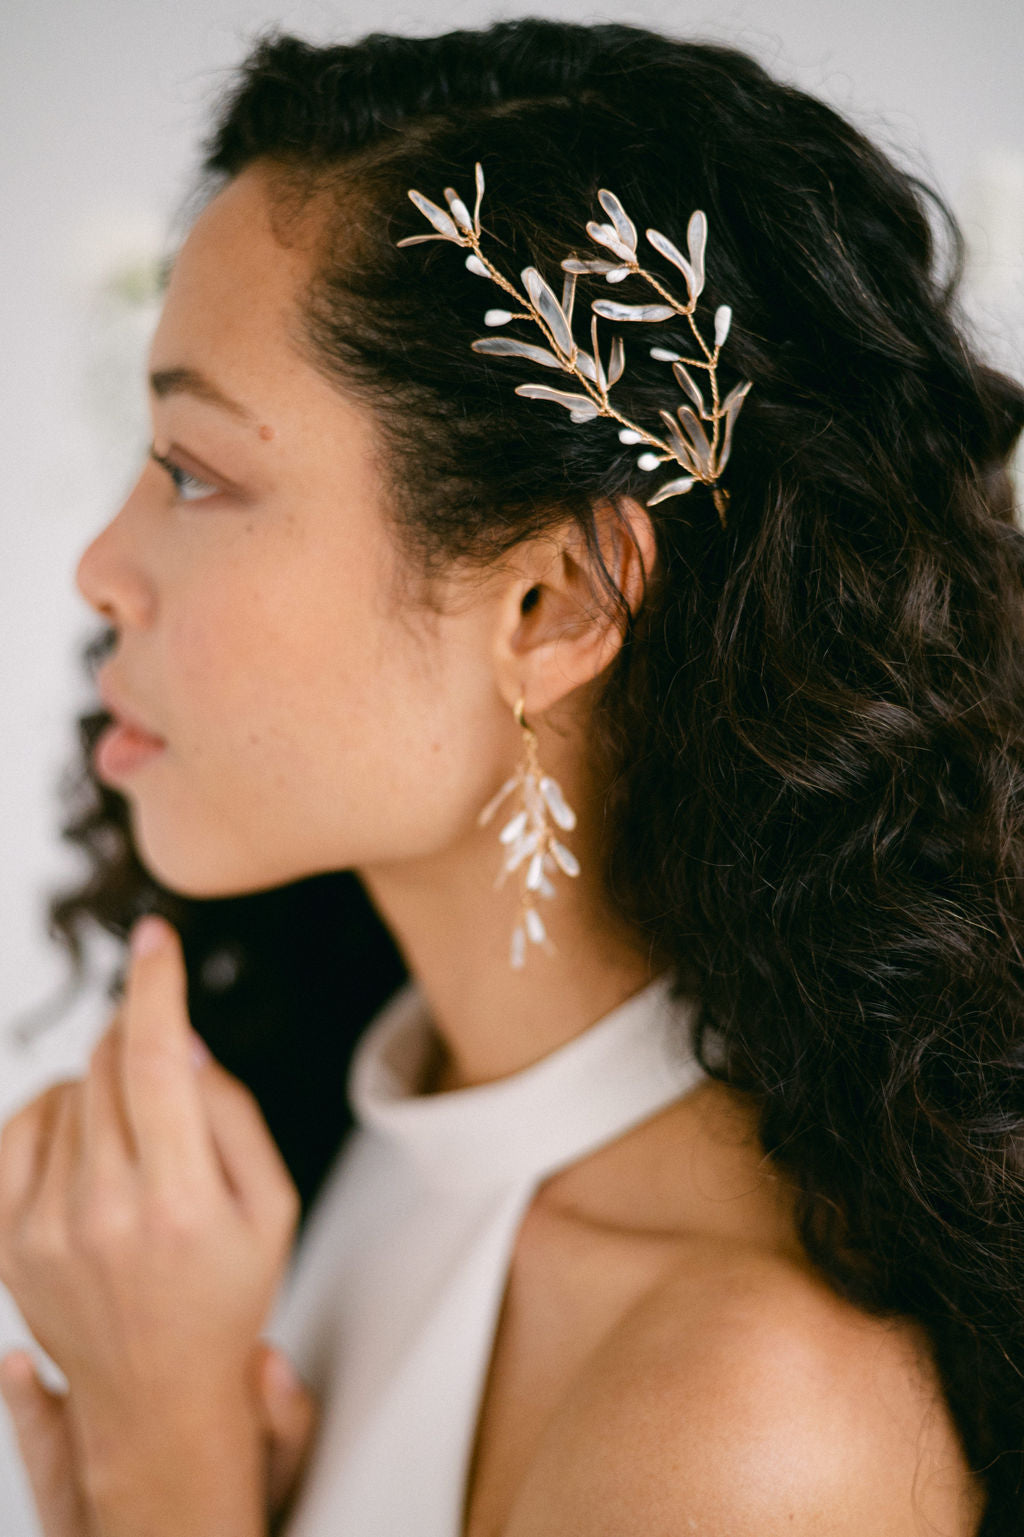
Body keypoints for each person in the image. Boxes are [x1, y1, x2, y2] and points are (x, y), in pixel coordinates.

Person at [0, 15, 1021, 1535]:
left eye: (198, 469)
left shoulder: (750, 1435)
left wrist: (165, 1475)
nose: (99, 570)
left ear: (557, 604)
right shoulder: (353, 1119)